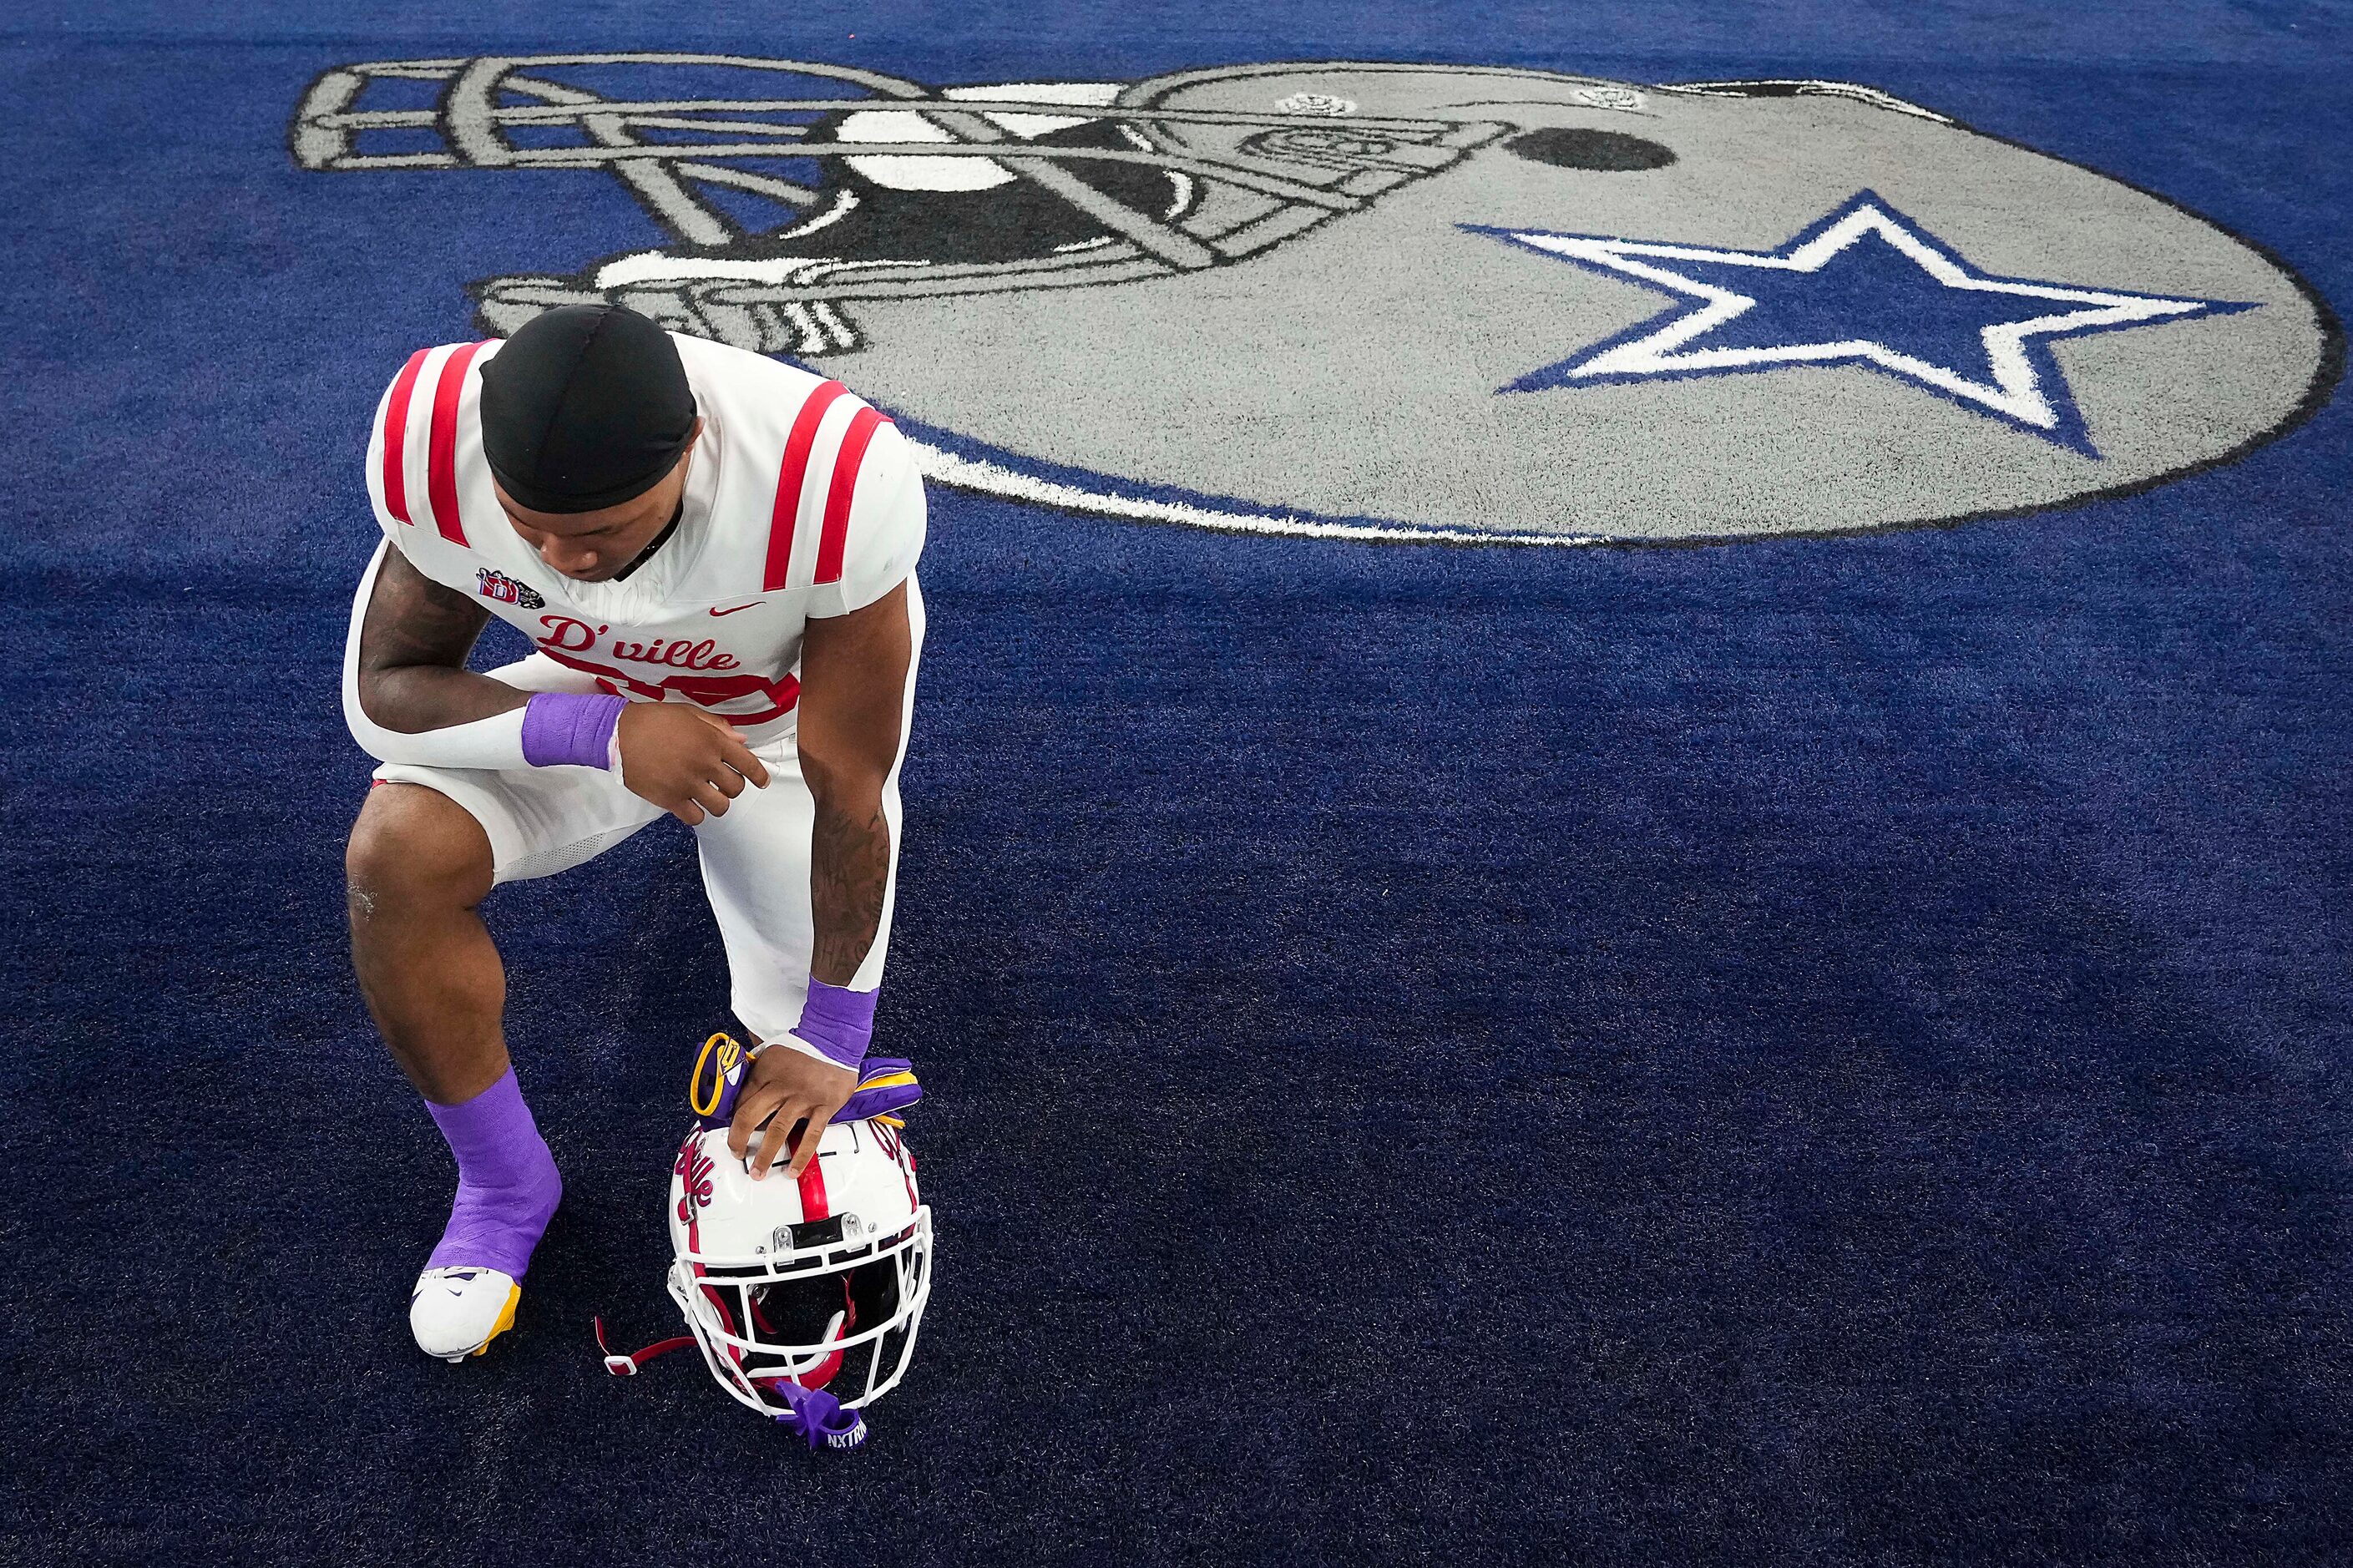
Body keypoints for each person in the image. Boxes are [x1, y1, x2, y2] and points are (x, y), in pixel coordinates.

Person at [339, 304, 925, 1361]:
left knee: (799, 1062)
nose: (565, 559)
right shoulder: (434, 441)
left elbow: (850, 781)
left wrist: (834, 1031)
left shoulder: (829, 478)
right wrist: (607, 728)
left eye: (601, 530)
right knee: (395, 856)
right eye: (530, 525)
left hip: (777, 728)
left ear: (693, 446)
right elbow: (382, 694)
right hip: (592, 698)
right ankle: (503, 1188)